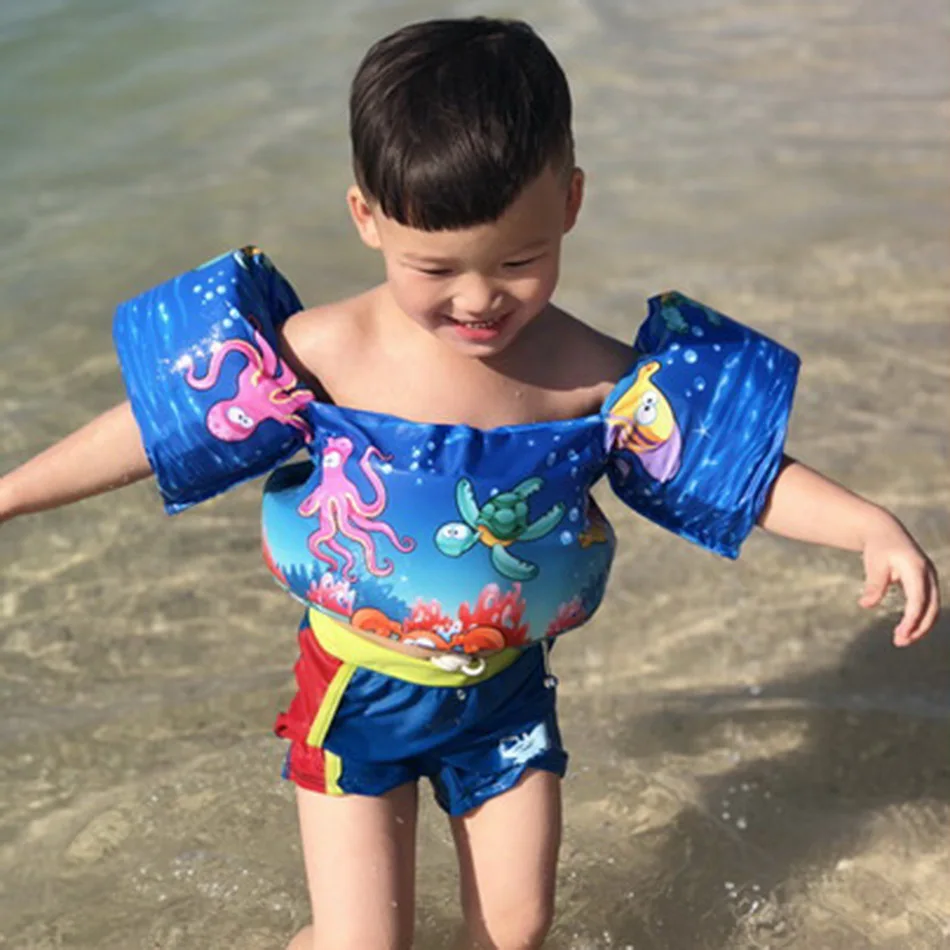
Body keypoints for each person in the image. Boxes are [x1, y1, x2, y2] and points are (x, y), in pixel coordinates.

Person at [0, 17, 939, 950]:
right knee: (361, 942)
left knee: (517, 929)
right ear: (367, 217)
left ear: (570, 202)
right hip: (356, 687)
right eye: (435, 268)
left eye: (519, 262)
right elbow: (151, 432)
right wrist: (9, 493)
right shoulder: (324, 351)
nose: (480, 298)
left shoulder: (596, 380)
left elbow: (739, 474)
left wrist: (865, 524)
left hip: (505, 695)